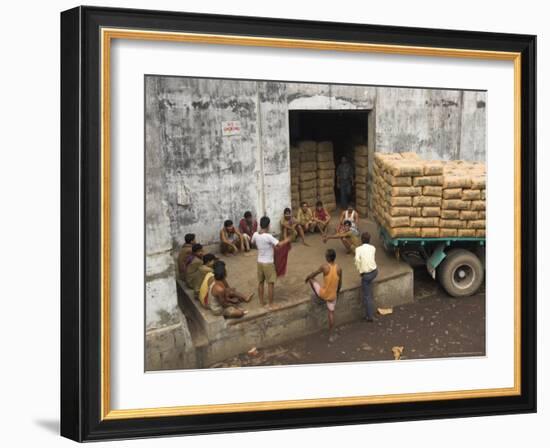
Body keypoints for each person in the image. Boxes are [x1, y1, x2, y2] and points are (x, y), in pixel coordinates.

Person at [251, 216, 291, 309]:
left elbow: (252, 243)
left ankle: (261, 302)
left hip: (259, 262)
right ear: (268, 225)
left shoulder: (255, 234)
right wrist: (287, 240)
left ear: (261, 224)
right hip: (268, 263)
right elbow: (279, 244)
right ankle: (271, 304)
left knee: (260, 282)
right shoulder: (268, 236)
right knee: (270, 283)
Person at [305, 249, 342, 341]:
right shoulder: (339, 268)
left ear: (328, 258)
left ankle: (318, 297)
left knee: (311, 280)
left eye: (326, 256)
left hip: (323, 294)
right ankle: (331, 335)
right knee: (331, 313)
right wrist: (337, 292)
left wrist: (307, 277)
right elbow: (340, 283)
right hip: (332, 296)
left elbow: (313, 274)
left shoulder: (324, 267)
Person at [354, 232, 378, 322]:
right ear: (369, 240)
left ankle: (370, 316)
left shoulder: (358, 249)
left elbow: (357, 261)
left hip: (366, 275)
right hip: (375, 272)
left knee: (367, 296)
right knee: (367, 290)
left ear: (361, 240)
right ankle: (367, 313)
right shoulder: (373, 248)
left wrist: (360, 271)